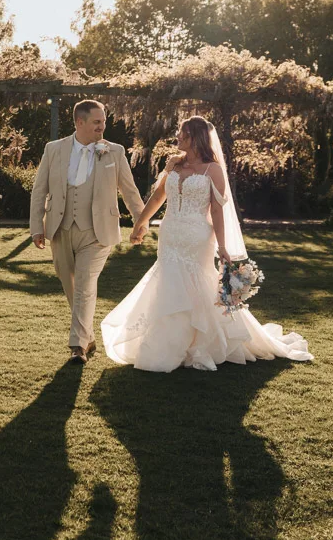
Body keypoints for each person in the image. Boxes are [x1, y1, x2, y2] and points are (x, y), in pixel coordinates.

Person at [101, 115, 313, 372]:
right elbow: (158, 197)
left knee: (196, 284)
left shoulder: (213, 169)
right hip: (170, 233)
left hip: (197, 236)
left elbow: (216, 210)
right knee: (168, 281)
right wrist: (140, 223)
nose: (178, 137)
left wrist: (222, 246)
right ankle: (167, 343)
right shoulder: (174, 165)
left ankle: (200, 344)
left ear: (196, 138)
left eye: (183, 134)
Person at [29, 99, 145, 364]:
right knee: (69, 283)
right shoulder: (54, 149)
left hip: (98, 231)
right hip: (60, 228)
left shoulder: (113, 151)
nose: (102, 127)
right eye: (97, 122)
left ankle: (77, 346)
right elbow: (40, 190)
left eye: (103, 121)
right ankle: (87, 335)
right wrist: (37, 227)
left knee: (84, 285)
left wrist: (141, 221)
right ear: (79, 122)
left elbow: (129, 190)